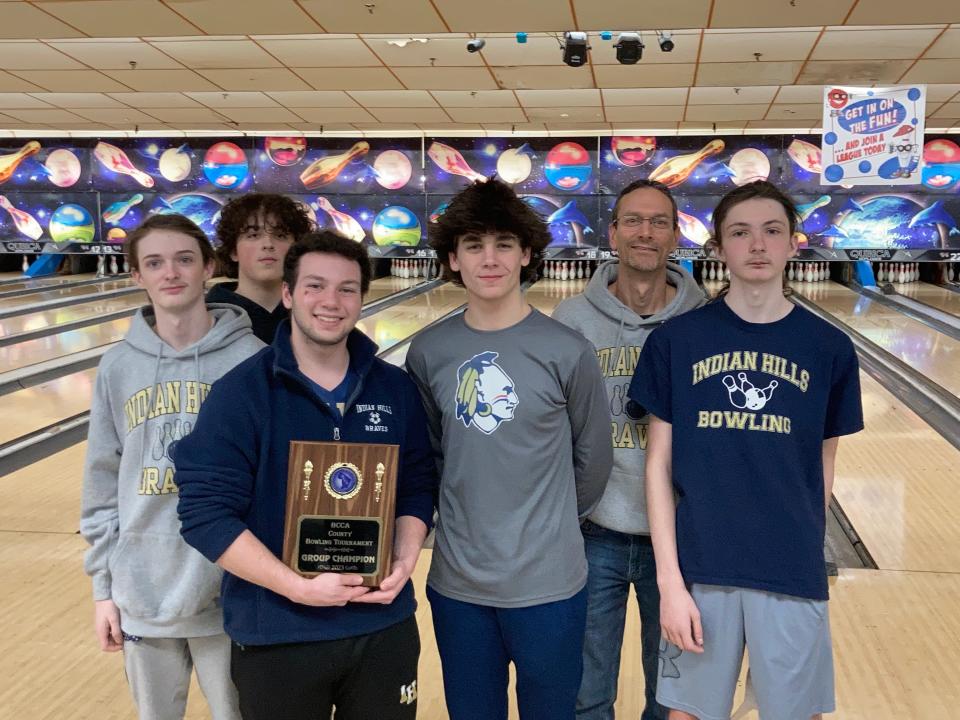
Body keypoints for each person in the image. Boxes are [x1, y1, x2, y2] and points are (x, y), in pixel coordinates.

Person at [174, 230, 437, 720]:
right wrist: (295, 586)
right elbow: (205, 514)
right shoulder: (241, 394)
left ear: (362, 297)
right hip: (278, 632)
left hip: (382, 626)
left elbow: (417, 484)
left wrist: (403, 559)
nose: (331, 302)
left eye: (347, 288)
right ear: (289, 294)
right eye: (315, 286)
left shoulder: (395, 388)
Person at [629, 180, 864, 720]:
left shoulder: (830, 349)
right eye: (740, 232)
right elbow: (657, 465)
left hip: (791, 570)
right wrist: (669, 581)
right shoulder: (676, 342)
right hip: (701, 568)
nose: (757, 245)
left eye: (771, 231)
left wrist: (805, 550)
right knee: (686, 714)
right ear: (718, 248)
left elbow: (823, 466)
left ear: (793, 243)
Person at [405, 178, 613, 720]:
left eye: (503, 243)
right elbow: (430, 454)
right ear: (453, 258)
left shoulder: (567, 350)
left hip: (551, 585)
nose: (489, 258)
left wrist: (550, 530)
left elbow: (593, 459)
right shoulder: (429, 351)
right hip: (459, 585)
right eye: (473, 245)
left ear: (526, 253)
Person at [80, 213, 264, 720]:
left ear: (208, 267)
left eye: (185, 259)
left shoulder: (253, 360)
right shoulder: (118, 367)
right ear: (137, 275)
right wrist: (103, 591)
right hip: (143, 590)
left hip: (231, 590)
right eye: (154, 263)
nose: (171, 273)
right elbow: (101, 482)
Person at [553, 179, 705, 720]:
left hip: (684, 538)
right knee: (587, 692)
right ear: (613, 232)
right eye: (634, 221)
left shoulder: (704, 321)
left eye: (658, 221)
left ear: (674, 234)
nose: (646, 232)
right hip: (595, 533)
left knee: (671, 698)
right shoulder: (571, 322)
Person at [207, 193, 313, 342]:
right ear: (233, 251)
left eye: (281, 235)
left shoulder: (314, 312)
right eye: (253, 235)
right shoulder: (206, 316)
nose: (268, 244)